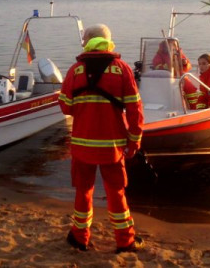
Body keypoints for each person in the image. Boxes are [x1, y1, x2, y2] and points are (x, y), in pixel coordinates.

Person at [58, 24, 145, 253]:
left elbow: (66, 107)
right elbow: (135, 109)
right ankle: (125, 242)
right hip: (113, 146)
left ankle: (80, 238)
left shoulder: (75, 70)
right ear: (107, 41)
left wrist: (83, 106)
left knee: (83, 191)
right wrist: (134, 141)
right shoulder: (122, 69)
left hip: (81, 145)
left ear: (88, 40)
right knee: (116, 192)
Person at [151, 39, 202, 109]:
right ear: (165, 45)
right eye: (171, 45)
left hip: (180, 77)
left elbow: (188, 67)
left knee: (191, 88)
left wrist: (184, 63)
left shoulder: (179, 54)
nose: (173, 47)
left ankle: (194, 108)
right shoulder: (159, 55)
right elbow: (157, 67)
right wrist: (169, 65)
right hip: (166, 78)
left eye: (175, 45)